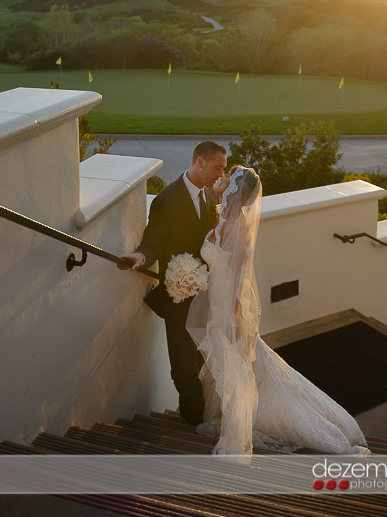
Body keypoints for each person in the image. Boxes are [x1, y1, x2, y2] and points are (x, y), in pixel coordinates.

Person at [186, 165, 370, 455]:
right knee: (235, 368)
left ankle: (251, 423)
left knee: (242, 368)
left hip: (228, 311)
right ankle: (228, 414)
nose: (219, 179)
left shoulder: (235, 227)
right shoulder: (226, 219)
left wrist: (234, 319)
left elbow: (236, 280)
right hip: (217, 304)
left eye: (227, 177)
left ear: (234, 188)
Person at [118, 140, 227, 425]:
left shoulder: (213, 198)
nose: (220, 174)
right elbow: (152, 243)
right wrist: (141, 256)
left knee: (202, 362)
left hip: (205, 299)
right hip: (177, 301)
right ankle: (194, 424)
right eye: (217, 168)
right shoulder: (166, 200)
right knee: (181, 370)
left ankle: (199, 419)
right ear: (200, 162)